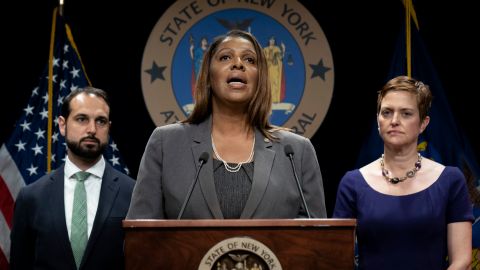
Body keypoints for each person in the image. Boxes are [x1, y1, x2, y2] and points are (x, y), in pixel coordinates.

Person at [127, 29, 326, 219]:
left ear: (260, 80)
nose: (238, 64)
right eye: (225, 57)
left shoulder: (297, 152)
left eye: (249, 60)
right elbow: (141, 236)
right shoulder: (165, 143)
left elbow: (318, 241)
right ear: (208, 76)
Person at [333, 75, 473, 269]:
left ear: (423, 123)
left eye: (406, 113)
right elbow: (338, 260)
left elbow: (462, 260)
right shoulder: (353, 183)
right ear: (378, 119)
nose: (395, 121)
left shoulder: (450, 180)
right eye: (387, 112)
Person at [10, 87, 135, 270]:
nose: (92, 129)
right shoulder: (30, 198)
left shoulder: (133, 193)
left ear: (109, 127)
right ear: (62, 125)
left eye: (100, 121)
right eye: (82, 119)